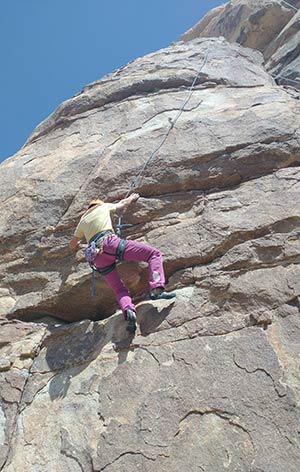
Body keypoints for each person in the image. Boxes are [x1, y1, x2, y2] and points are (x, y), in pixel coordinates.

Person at [69, 193, 176, 332]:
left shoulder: (82, 221)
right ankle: (156, 288)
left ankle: (128, 311)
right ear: (98, 203)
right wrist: (131, 198)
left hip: (98, 257)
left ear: (87, 209)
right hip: (110, 243)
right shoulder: (102, 207)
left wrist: (82, 245)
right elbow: (121, 205)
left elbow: (72, 244)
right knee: (153, 254)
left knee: (119, 288)